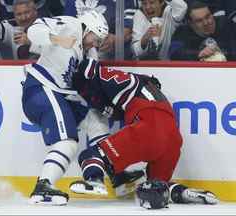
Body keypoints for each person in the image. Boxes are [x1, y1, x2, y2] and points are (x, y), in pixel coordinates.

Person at [68, 58, 219, 207]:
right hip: (173, 139)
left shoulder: (107, 76)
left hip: (150, 129)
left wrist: (88, 90)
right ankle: (183, 193)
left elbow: (100, 85)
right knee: (154, 189)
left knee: (89, 155)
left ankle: (95, 181)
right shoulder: (148, 88)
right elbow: (114, 107)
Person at [21, 10, 109, 205]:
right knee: (67, 142)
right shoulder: (72, 25)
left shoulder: (90, 53)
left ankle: (101, 176)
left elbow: (88, 83)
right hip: (42, 89)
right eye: (96, 37)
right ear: (87, 28)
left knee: (96, 119)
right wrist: (57, 39)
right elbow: (33, 30)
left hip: (59, 94)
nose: (97, 43)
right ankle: (43, 186)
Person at [64, 0, 140, 60]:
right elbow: (66, 27)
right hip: (76, 57)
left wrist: (114, 39)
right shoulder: (70, 2)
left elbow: (128, 30)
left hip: (113, 61)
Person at [170, 1, 236, 61]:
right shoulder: (182, 32)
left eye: (208, 16)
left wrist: (224, 54)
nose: (206, 23)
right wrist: (198, 53)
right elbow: (173, 53)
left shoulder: (226, 24)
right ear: (190, 24)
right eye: (199, 21)